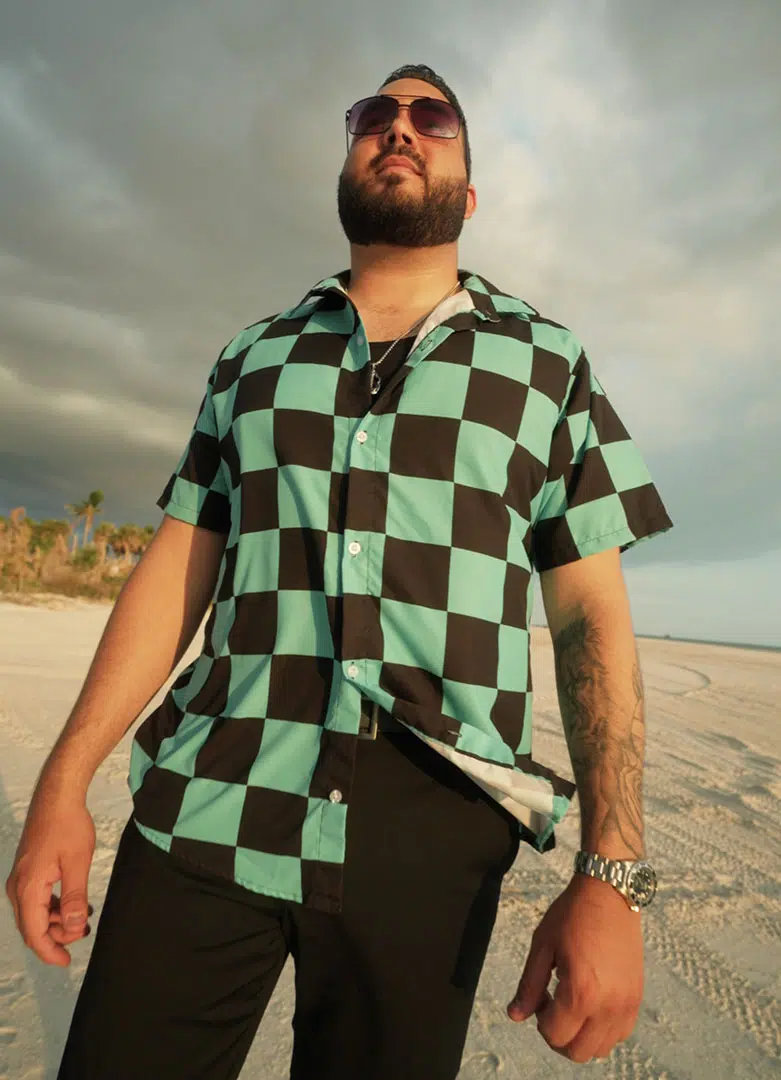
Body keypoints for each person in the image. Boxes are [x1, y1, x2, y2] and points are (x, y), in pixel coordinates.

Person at [5, 64, 673, 1079]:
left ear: (469, 191)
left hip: (432, 840)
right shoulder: (254, 358)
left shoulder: (546, 365)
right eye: (373, 116)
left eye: (431, 118)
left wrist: (611, 873)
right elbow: (178, 566)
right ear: (346, 162)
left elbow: (589, 617)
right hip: (209, 797)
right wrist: (65, 782)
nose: (398, 128)